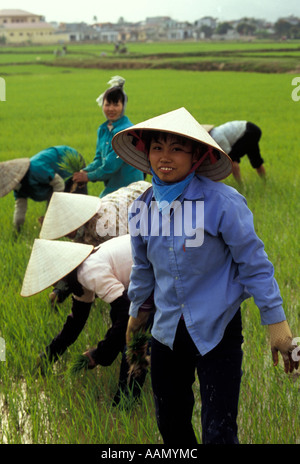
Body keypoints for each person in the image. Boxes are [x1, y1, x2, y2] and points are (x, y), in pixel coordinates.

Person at [111, 107, 298, 444]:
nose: (165, 157)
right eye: (157, 148)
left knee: (219, 432)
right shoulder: (141, 208)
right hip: (166, 332)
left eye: (177, 148)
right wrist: (136, 317)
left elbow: (254, 263)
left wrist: (276, 323)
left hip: (219, 329)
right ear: (146, 153)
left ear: (196, 155)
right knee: (171, 425)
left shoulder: (223, 202)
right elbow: (143, 269)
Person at [21, 235, 154, 406]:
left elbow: (128, 315)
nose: (57, 287)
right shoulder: (79, 277)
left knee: (133, 340)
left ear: (64, 274)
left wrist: (98, 355)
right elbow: (75, 324)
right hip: (144, 271)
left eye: (56, 281)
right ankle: (126, 401)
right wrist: (48, 355)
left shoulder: (89, 271)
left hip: (157, 267)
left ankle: (126, 404)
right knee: (123, 330)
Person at [38, 180, 151, 306]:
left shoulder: (106, 225)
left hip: (147, 201)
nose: (66, 235)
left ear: (76, 221)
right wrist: (60, 289)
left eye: (67, 230)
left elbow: (129, 254)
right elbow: (79, 265)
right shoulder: (81, 229)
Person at [73, 76, 144, 197]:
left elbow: (110, 167)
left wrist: (87, 177)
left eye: (116, 105)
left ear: (123, 106)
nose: (111, 109)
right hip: (113, 187)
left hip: (129, 189)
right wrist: (85, 170)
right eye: (107, 104)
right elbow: (99, 159)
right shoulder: (103, 129)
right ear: (102, 105)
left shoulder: (126, 132)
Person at [0, 146, 87, 231]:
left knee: (76, 201)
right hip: (56, 177)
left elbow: (59, 183)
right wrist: (16, 230)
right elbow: (20, 208)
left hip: (70, 160)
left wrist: (53, 209)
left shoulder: (36, 169)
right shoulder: (19, 188)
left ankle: (83, 227)